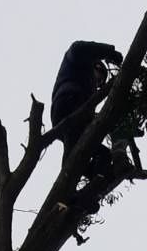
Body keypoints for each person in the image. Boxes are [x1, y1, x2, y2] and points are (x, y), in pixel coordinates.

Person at [51, 40, 123, 175]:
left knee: (102, 154)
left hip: (79, 117)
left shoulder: (90, 92)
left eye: (102, 81)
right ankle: (68, 189)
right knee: (72, 143)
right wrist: (109, 52)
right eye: (100, 74)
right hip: (68, 103)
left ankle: (92, 178)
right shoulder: (77, 63)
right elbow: (78, 47)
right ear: (95, 64)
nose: (99, 81)